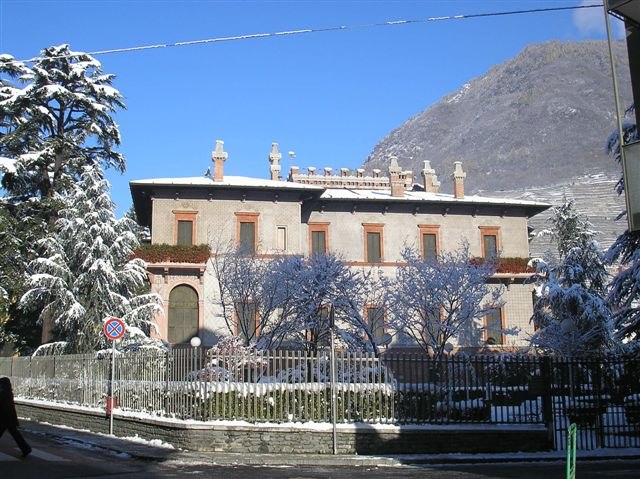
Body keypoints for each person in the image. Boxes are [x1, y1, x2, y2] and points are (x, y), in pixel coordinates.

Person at [0, 377, 31, 457]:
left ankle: (26, 449)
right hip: (8, 418)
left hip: (5, 419)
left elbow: (5, 407)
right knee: (16, 435)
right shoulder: (7, 392)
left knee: (16, 435)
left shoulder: (4, 393)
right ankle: (26, 449)